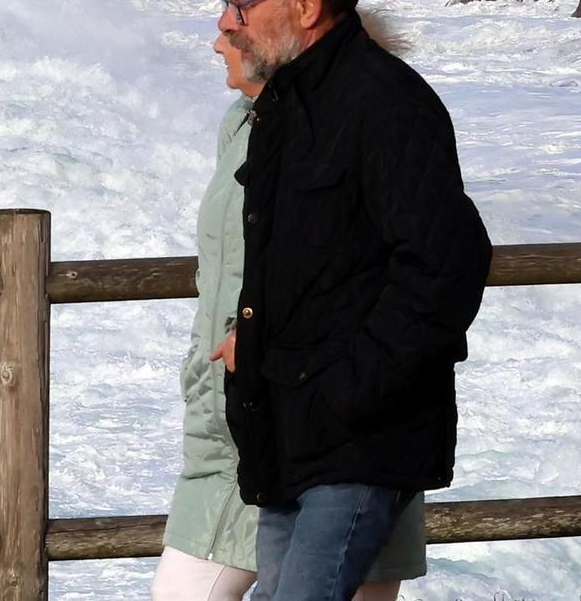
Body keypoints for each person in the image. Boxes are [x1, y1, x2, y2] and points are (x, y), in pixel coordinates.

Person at [211, 0, 490, 601]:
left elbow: (446, 265)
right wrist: (258, 342)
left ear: (304, 5)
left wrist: (347, 390)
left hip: (355, 439)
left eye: (240, 4)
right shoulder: (283, 109)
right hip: (286, 437)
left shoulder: (388, 104)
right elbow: (304, 260)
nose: (228, 20)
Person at [153, 29, 423, 601]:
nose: (216, 44)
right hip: (232, 416)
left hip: (337, 419)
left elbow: (417, 266)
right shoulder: (242, 122)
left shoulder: (364, 126)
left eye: (233, 28)